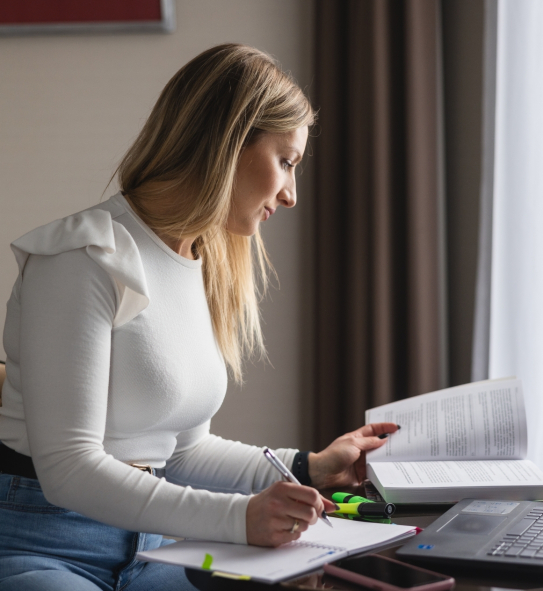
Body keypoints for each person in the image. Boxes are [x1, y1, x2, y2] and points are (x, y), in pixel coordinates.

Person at [0, 44, 397, 591]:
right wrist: (238, 519)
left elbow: (182, 451)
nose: (291, 194)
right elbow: (69, 468)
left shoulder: (196, 262)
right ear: (229, 142)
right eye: (286, 161)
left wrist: (309, 466)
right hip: (46, 546)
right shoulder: (83, 258)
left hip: (155, 546)